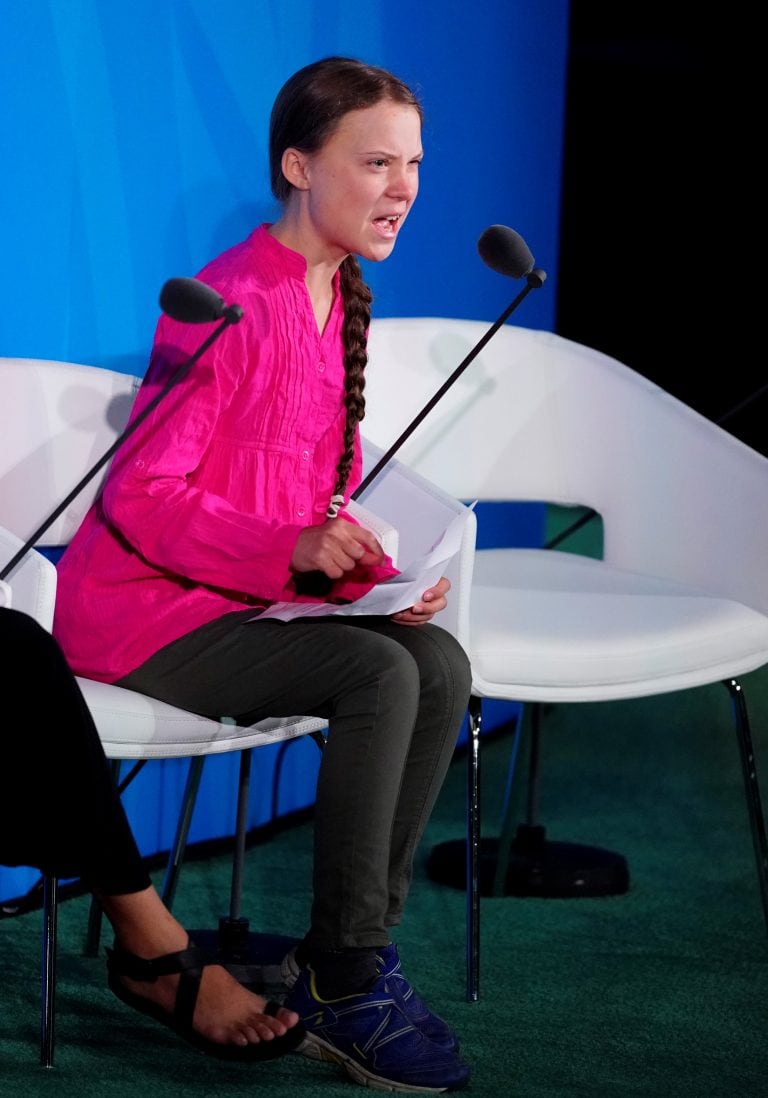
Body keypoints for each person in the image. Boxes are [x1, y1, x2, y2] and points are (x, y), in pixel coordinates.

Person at [53, 56, 473, 1093]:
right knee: (382, 676)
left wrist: (369, 581)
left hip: (237, 604)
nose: (403, 186)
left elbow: (294, 506)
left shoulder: (340, 300)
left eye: (412, 163)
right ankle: (345, 973)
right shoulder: (225, 302)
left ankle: (351, 953)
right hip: (143, 617)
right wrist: (293, 555)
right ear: (298, 165)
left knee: (441, 661)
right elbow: (146, 496)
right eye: (376, 161)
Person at [0, 606, 303, 1062]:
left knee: (423, 662)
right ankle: (152, 944)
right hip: (146, 617)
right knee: (15, 644)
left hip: (258, 610)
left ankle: (356, 958)